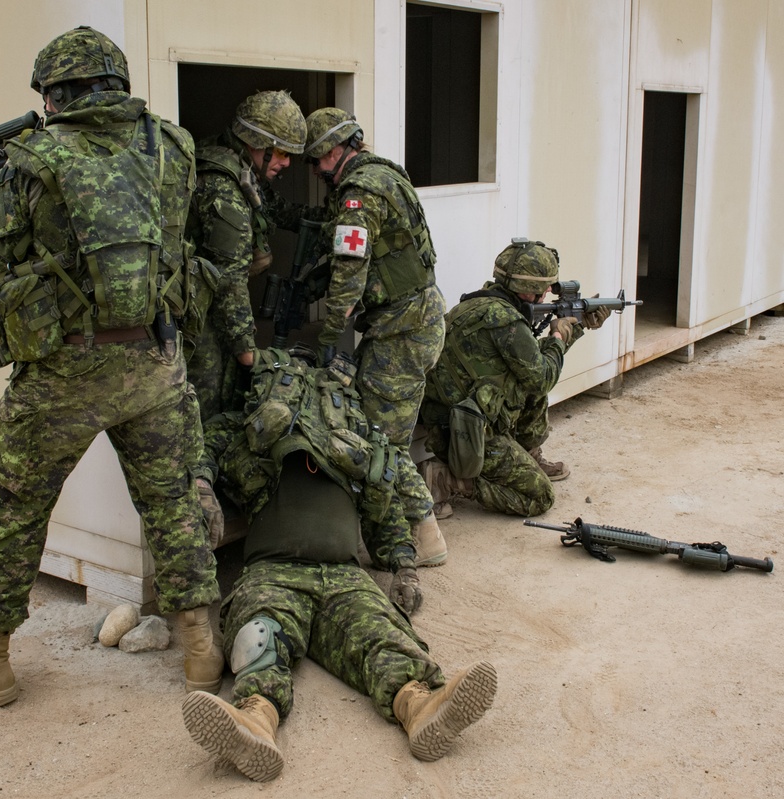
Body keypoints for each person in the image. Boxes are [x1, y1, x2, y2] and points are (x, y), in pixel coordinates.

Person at [0, 26, 224, 708]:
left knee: (14, 502)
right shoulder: (174, 147)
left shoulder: (29, 160)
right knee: (173, 501)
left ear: (53, 95)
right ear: (116, 85)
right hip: (156, 359)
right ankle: (201, 650)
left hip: (66, 373)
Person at [180, 349, 497, 782]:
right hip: (273, 572)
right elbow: (200, 449)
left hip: (346, 576)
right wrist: (201, 485)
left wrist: (404, 565)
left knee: (383, 635)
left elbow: (384, 510)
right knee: (258, 636)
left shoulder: (354, 447)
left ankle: (421, 708)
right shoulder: (245, 432)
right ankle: (255, 720)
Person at [291, 108, 448, 567]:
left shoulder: (359, 193)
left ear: (338, 150)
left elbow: (348, 276)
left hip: (403, 331)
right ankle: (403, 531)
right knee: (384, 431)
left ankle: (426, 538)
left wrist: (327, 337)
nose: (317, 171)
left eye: (318, 160)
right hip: (412, 321)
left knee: (381, 437)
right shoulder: (385, 176)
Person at [417, 238, 612, 518]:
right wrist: (558, 335)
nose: (547, 292)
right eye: (544, 287)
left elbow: (532, 363)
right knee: (540, 497)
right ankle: (447, 480)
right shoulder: (506, 321)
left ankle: (528, 455)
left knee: (531, 381)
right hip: (463, 432)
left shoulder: (484, 303)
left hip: (463, 415)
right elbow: (542, 376)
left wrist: (577, 325)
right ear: (528, 288)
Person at [185, 90, 307, 421]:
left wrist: (321, 221)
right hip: (200, 316)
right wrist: (246, 351)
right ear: (256, 142)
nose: (286, 162)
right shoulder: (223, 188)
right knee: (210, 406)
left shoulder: (240, 167)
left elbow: (274, 209)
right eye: (281, 152)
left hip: (210, 306)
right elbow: (229, 281)